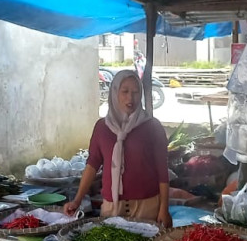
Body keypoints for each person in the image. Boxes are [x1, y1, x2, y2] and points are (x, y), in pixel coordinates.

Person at [65, 70, 172, 227]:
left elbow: (163, 171)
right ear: (114, 92)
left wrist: (164, 209)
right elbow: (92, 165)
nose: (131, 98)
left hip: (147, 207)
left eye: (135, 92)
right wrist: (77, 200)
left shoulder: (152, 127)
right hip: (111, 206)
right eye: (125, 92)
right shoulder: (102, 127)